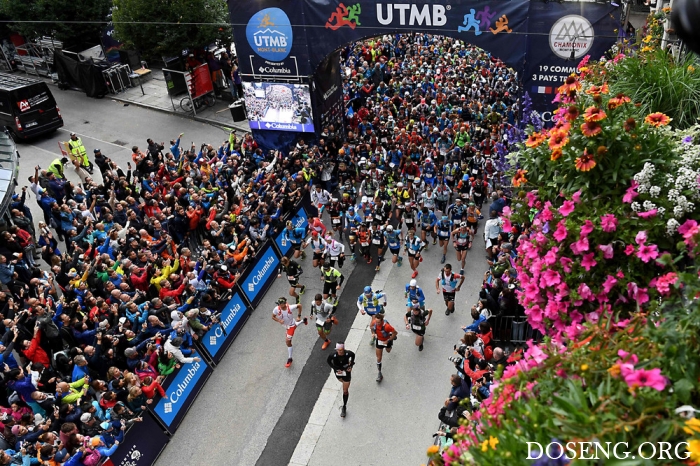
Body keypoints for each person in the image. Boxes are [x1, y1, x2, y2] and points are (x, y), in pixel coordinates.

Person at [271, 297, 307, 368]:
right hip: (286, 326)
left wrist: (299, 316)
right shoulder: (276, 309)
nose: (280, 306)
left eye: (281, 304)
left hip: (291, 326)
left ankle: (290, 358)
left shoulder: (290, 307)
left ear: (285, 303)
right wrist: (279, 320)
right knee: (289, 337)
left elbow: (299, 305)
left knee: (288, 341)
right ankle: (303, 321)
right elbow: (273, 317)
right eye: (279, 304)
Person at [327, 342, 355, 418]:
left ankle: (344, 406)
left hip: (346, 372)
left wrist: (351, 365)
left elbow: (353, 355)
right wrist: (335, 369)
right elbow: (328, 362)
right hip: (338, 373)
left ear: (344, 349)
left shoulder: (348, 353)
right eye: (338, 350)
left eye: (341, 350)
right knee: (341, 381)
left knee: (345, 390)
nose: (340, 352)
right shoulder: (333, 355)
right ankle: (345, 383)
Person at [372, 311, 397, 383]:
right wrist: (373, 334)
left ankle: (391, 341)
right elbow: (373, 329)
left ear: (382, 321)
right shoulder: (375, 323)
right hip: (379, 341)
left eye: (379, 322)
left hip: (386, 341)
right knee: (378, 358)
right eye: (376, 322)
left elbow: (395, 332)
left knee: (388, 351)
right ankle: (379, 373)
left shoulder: (387, 326)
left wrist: (389, 340)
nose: (377, 323)